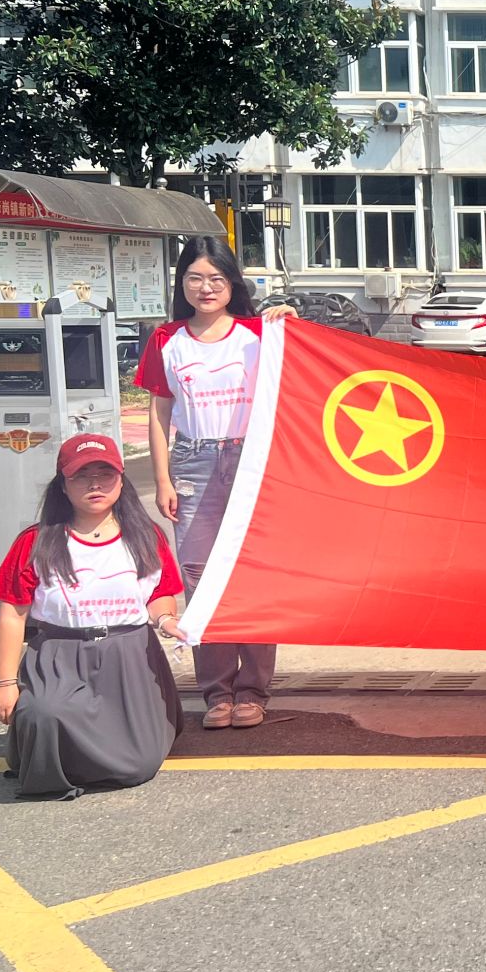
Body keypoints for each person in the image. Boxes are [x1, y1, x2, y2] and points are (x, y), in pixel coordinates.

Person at [137, 237, 294, 731]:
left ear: (232, 284)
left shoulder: (259, 333)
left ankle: (253, 691)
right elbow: (159, 414)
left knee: (255, 575)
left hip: (253, 460)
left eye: (216, 279)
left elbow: (305, 369)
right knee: (201, 579)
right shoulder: (166, 340)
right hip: (193, 463)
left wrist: (291, 321)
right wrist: (162, 478)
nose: (205, 288)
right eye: (194, 279)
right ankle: (217, 693)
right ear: (181, 284)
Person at [0, 435, 188, 800]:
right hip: (58, 657)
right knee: (44, 714)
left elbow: (159, 593)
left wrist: (166, 620)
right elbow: (12, 615)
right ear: (63, 485)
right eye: (81, 475)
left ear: (121, 480)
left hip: (129, 656)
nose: (95, 484)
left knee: (137, 767)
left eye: (105, 474)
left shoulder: (147, 536)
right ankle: (39, 745)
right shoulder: (35, 541)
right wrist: (4, 683)